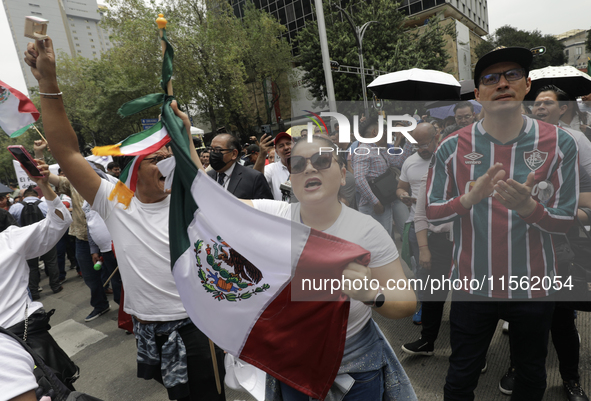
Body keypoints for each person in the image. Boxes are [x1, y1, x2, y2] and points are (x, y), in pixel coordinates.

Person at [25, 36, 225, 401]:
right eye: (155, 157)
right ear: (132, 170)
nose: (166, 159)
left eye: (169, 153)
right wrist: (48, 84)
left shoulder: (189, 197)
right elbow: (66, 152)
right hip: (149, 330)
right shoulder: (117, 199)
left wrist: (183, 134)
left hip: (197, 328)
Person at [427, 46, 579, 401]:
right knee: (461, 374)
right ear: (478, 94)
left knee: (530, 373)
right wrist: (468, 199)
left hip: (533, 284)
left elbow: (564, 221)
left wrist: (529, 208)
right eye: (490, 78)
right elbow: (433, 213)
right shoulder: (451, 147)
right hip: (471, 284)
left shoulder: (559, 143)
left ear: (527, 85)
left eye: (512, 75)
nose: (502, 83)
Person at [241, 135, 417, 400]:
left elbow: (406, 302)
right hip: (293, 369)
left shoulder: (367, 231)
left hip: (357, 372)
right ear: (291, 178)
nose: (309, 168)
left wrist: (371, 295)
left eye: (322, 160)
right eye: (297, 164)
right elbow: (211, 204)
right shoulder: (276, 217)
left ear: (343, 173)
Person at [0, 160, 77, 401]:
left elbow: (58, 222)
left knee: (62, 394)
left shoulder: (9, 240)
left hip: (28, 337)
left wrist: (45, 186)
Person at [9, 185, 63, 299]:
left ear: (23, 197)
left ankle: (34, 292)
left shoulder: (15, 207)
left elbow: (11, 225)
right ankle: (55, 286)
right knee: (51, 262)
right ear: (38, 196)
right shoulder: (44, 205)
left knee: (31, 266)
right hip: (45, 239)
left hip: (26, 241)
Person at [207, 133, 273, 200]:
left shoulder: (254, 178)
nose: (213, 154)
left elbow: (265, 207)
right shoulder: (207, 177)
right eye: (211, 150)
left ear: (234, 154)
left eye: (218, 150)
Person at [256, 132, 292, 200]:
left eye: (288, 143)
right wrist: (262, 154)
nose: (286, 147)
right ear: (277, 152)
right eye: (281, 146)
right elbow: (255, 180)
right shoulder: (271, 169)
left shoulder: (308, 165)